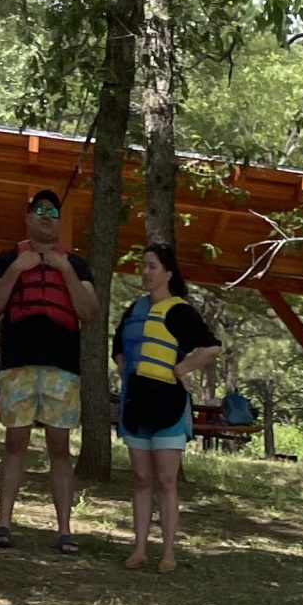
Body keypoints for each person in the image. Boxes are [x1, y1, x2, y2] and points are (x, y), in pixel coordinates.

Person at [0, 189, 98, 554]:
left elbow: (90, 311)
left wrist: (64, 270)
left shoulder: (76, 265)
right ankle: (3, 523)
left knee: (59, 447)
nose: (47, 217)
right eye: (40, 210)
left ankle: (64, 529)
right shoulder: (6, 259)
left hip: (62, 367)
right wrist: (18, 268)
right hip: (18, 364)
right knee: (15, 443)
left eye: (53, 212)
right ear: (29, 217)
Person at [113, 240, 220, 571]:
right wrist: (127, 368)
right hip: (136, 405)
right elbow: (118, 348)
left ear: (168, 273)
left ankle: (169, 553)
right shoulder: (134, 310)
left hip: (169, 406)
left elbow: (210, 347)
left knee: (167, 480)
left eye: (152, 267)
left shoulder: (180, 311)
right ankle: (140, 549)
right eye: (143, 266)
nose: (145, 272)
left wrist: (181, 369)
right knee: (142, 479)